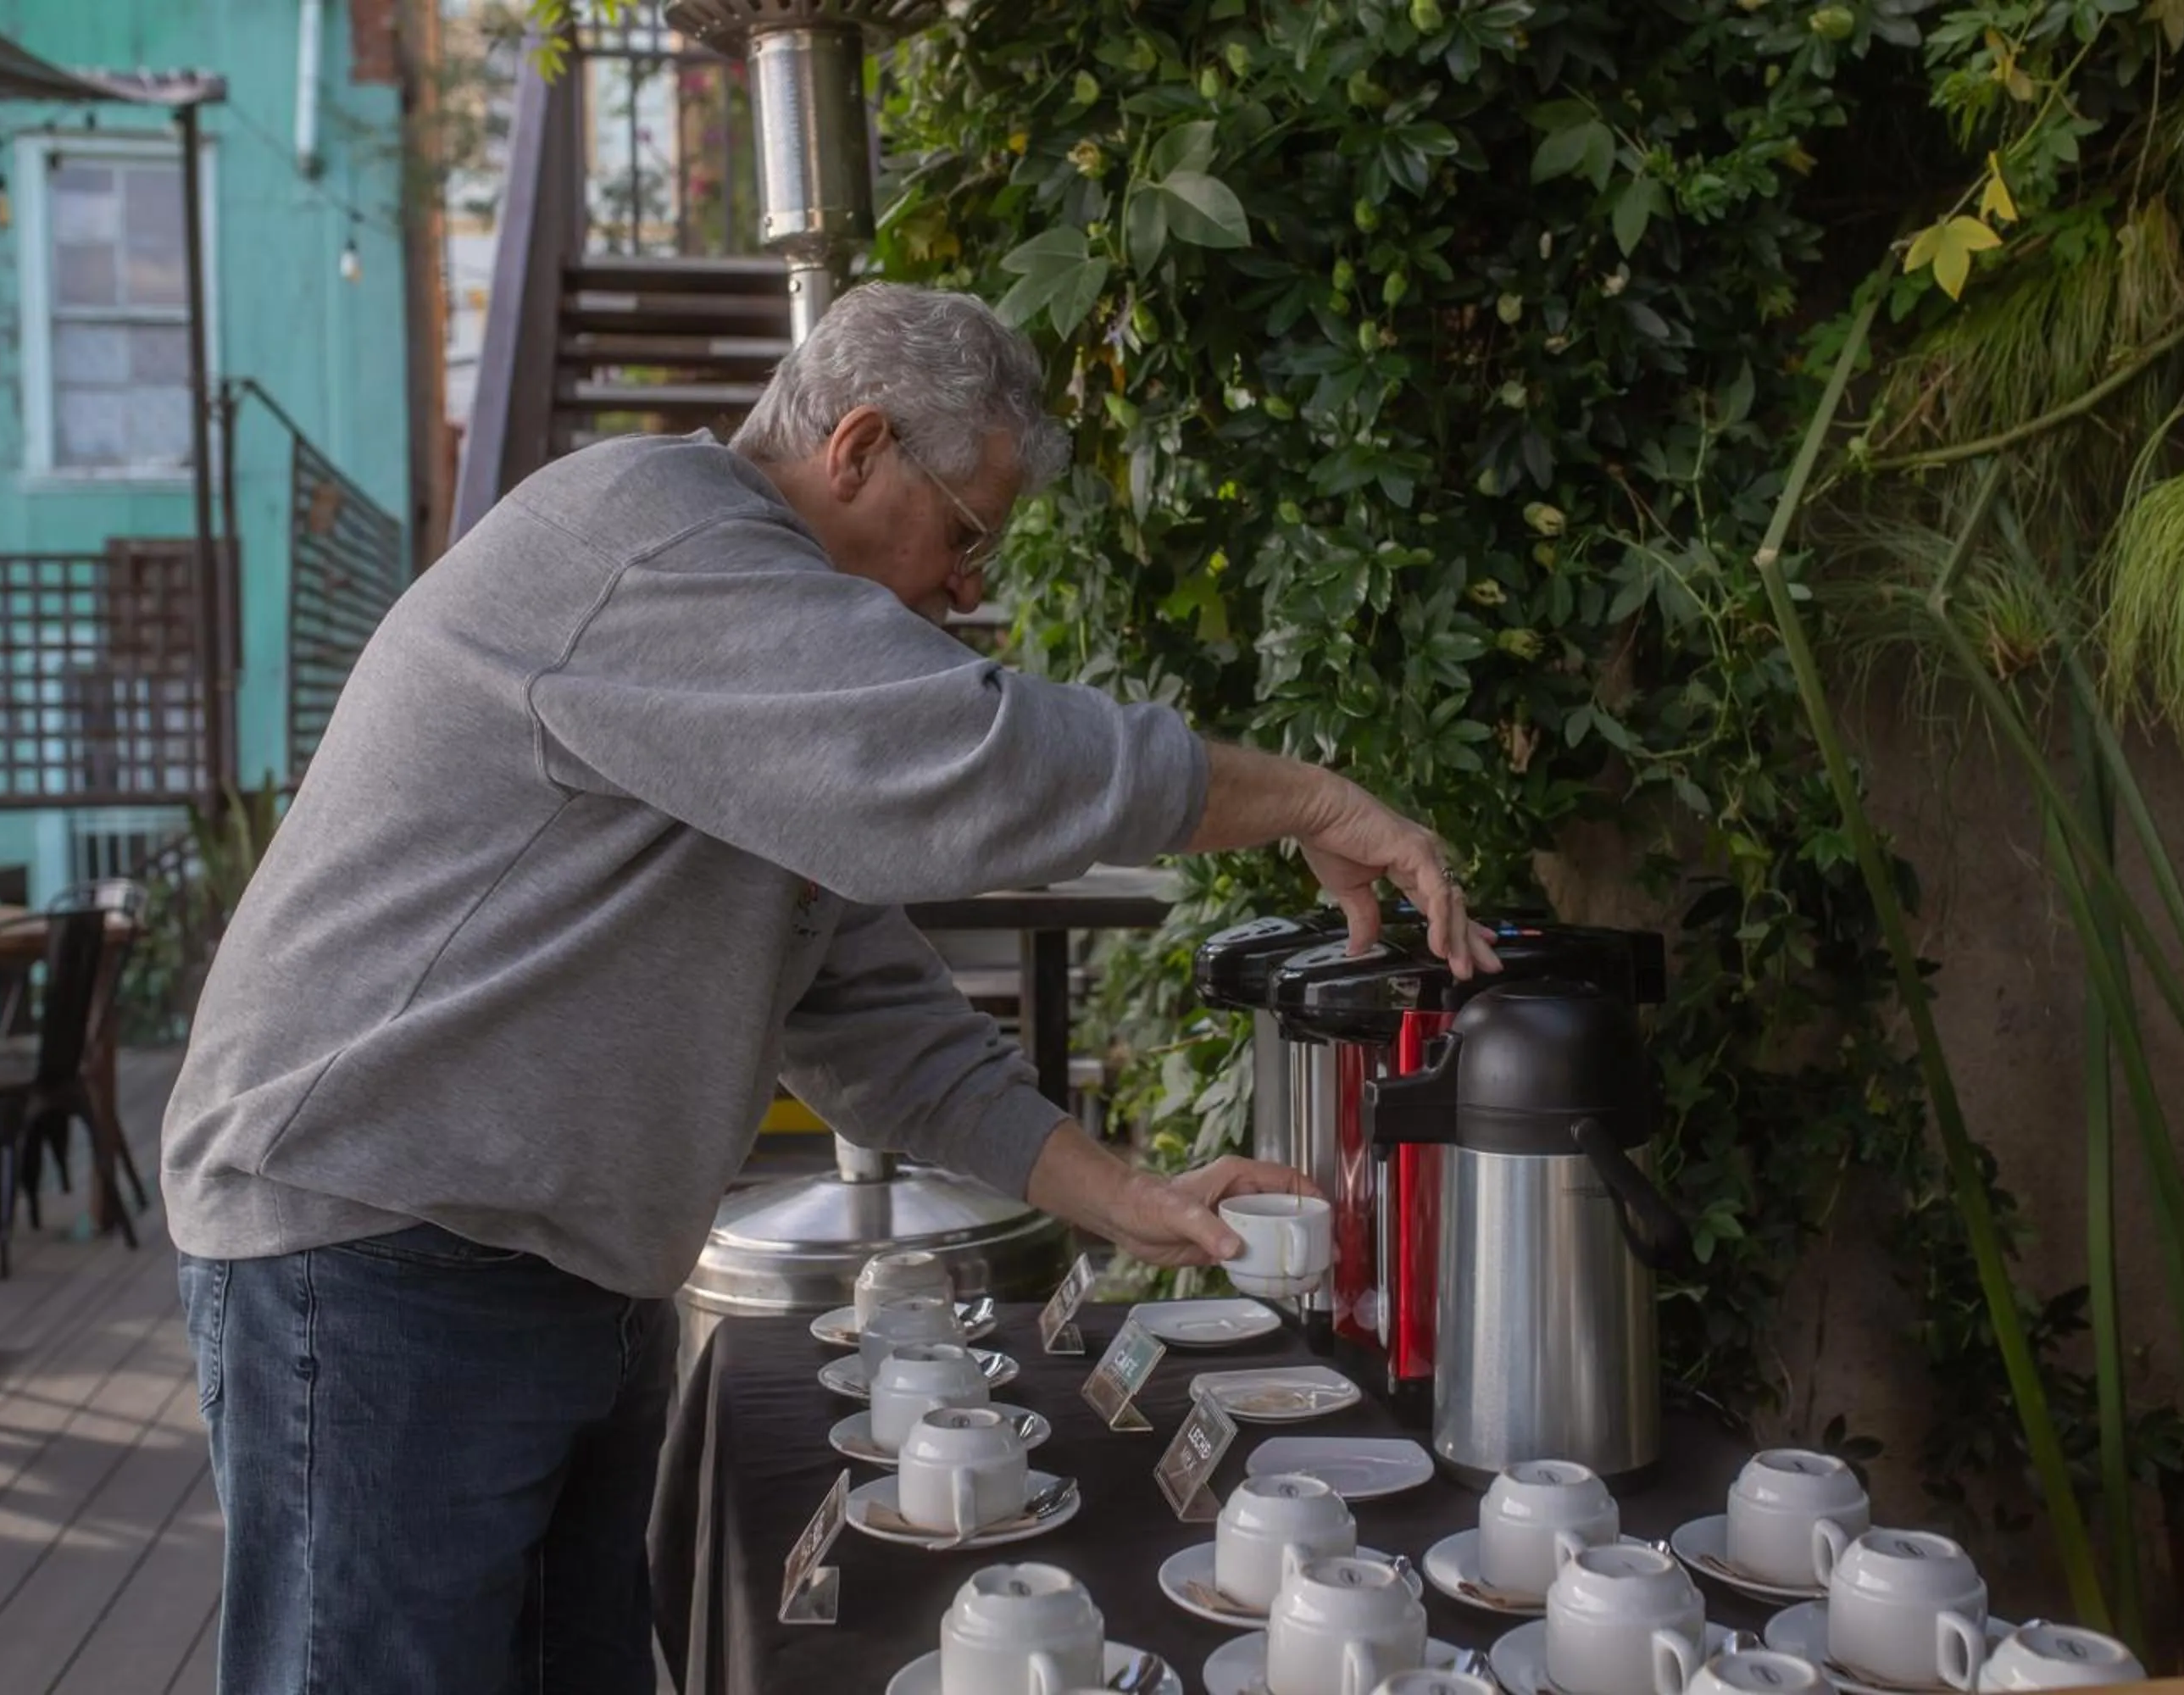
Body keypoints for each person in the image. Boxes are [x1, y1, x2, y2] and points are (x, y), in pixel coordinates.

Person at [159, 281, 1501, 1694]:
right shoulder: (653, 537)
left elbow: (872, 1017)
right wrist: (1309, 801)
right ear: (857, 447)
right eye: (966, 534)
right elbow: (972, 765)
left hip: (551, 1268)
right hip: (375, 1243)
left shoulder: (754, 689)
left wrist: (1129, 1201)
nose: (969, 588)